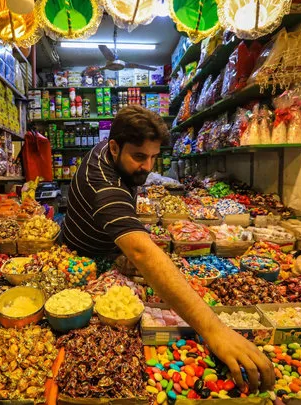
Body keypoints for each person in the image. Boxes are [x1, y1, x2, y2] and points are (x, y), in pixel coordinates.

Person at [62, 105, 274, 392]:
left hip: (109, 246)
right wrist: (214, 330)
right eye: (139, 157)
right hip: (84, 258)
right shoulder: (104, 184)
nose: (148, 168)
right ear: (114, 147)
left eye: (154, 157)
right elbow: (140, 251)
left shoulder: (114, 147)